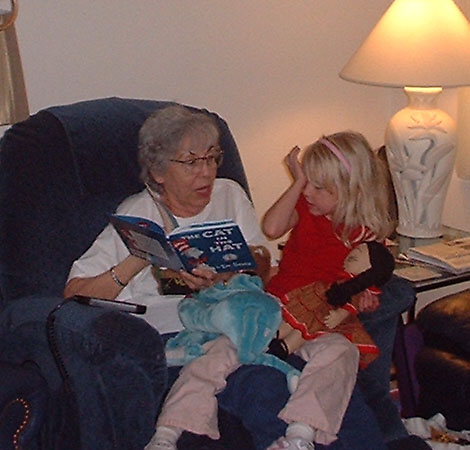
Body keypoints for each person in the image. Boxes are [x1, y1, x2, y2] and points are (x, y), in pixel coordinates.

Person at [62, 106, 396, 450]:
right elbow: (75, 292)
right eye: (191, 162)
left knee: (338, 376)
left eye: (211, 158)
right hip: (180, 331)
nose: (206, 172)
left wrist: (227, 275)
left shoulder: (229, 194)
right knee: (264, 383)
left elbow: (263, 264)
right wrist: (141, 256)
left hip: (244, 316)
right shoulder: (137, 213)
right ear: (159, 171)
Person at [263, 133, 431, 450]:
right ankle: (389, 434)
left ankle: (308, 430)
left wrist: (366, 292)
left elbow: (368, 273)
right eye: (307, 183)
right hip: (283, 304)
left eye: (318, 187)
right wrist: (297, 183)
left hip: (324, 315)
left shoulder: (364, 232)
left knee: (353, 344)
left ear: (351, 190)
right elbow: (271, 228)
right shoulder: (305, 207)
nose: (308, 192)